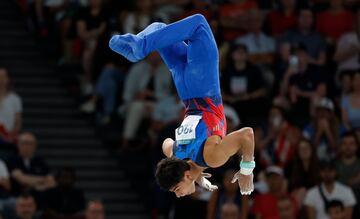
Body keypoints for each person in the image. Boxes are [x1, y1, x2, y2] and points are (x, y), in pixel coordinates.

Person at [109, 14, 255, 197]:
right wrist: (197, 173)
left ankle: (140, 47)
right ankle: (139, 41)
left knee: (199, 25)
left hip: (202, 84)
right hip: (184, 88)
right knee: (160, 28)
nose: (178, 195)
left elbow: (247, 134)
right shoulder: (176, 153)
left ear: (186, 175)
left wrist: (247, 170)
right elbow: (166, 143)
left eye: (177, 189)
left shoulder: (212, 157)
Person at [0, 68, 22, 145]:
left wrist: (10, 135)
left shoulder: (15, 99)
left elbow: (18, 121)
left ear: (7, 79)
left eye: (3, 77)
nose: (1, 80)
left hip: (8, 138)